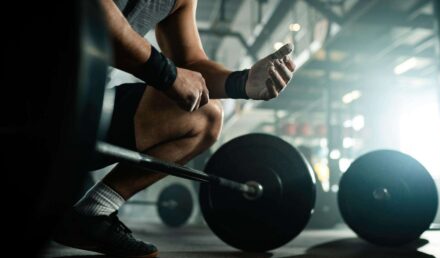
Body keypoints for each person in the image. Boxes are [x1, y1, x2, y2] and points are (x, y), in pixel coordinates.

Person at [53, 0, 296, 257]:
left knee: (205, 116)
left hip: (82, 114)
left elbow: (190, 62)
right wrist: (167, 75)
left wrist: (241, 82)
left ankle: (92, 214)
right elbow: (93, 15)